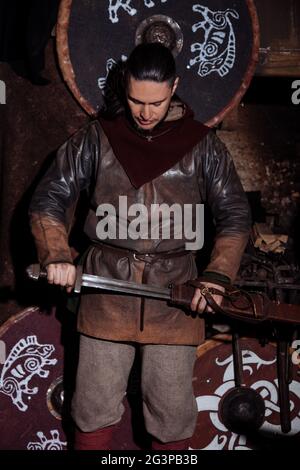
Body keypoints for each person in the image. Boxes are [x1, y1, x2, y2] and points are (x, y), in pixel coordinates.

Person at [29, 43, 251, 450]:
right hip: (106, 292)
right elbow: (49, 200)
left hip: (175, 298)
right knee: (92, 409)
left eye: (157, 102)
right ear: (124, 89)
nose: (146, 112)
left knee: (172, 417)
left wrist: (216, 277)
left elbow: (235, 216)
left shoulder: (203, 146)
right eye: (135, 100)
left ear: (175, 88)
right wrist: (57, 254)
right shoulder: (97, 137)